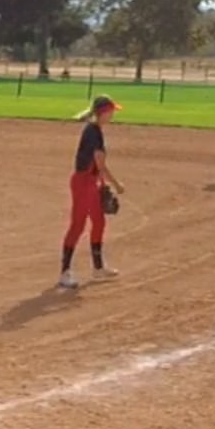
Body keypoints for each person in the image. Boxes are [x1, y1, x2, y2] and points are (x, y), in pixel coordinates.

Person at [59, 95, 125, 290]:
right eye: (111, 111)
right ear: (103, 112)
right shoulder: (93, 132)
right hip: (82, 183)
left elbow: (96, 167)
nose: (113, 115)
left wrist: (101, 184)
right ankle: (65, 272)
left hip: (91, 182)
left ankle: (98, 268)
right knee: (78, 226)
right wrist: (116, 185)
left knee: (99, 222)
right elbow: (100, 164)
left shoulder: (95, 130)